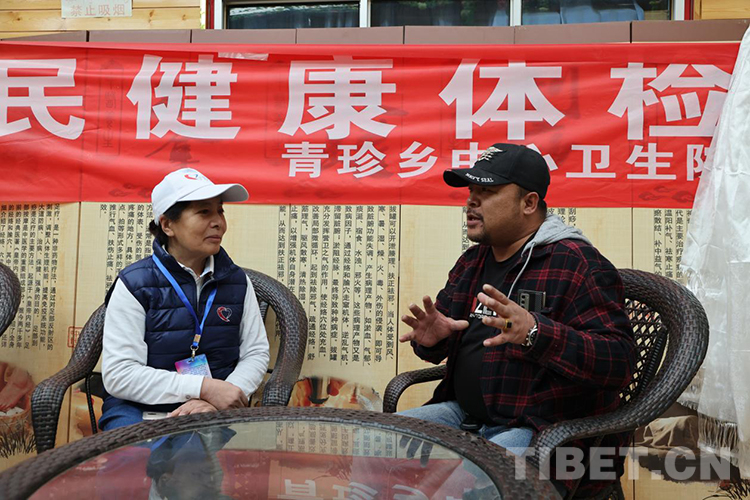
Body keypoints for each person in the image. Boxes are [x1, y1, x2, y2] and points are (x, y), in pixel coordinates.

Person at [398, 143, 635, 496]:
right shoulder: (472, 262)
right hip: (461, 415)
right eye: (471, 191)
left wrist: (536, 332)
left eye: (487, 192)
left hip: (540, 429)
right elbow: (444, 336)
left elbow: (619, 362)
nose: (471, 202)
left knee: (469, 484)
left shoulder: (577, 263)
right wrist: (434, 341)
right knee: (373, 445)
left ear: (529, 203)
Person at [99, 168, 270, 431]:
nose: (218, 222)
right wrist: (204, 388)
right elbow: (120, 375)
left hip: (215, 408)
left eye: (220, 211)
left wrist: (224, 395)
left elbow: (255, 352)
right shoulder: (134, 284)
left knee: (210, 453)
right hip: (138, 408)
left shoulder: (237, 281)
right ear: (167, 225)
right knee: (133, 456)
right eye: (204, 212)